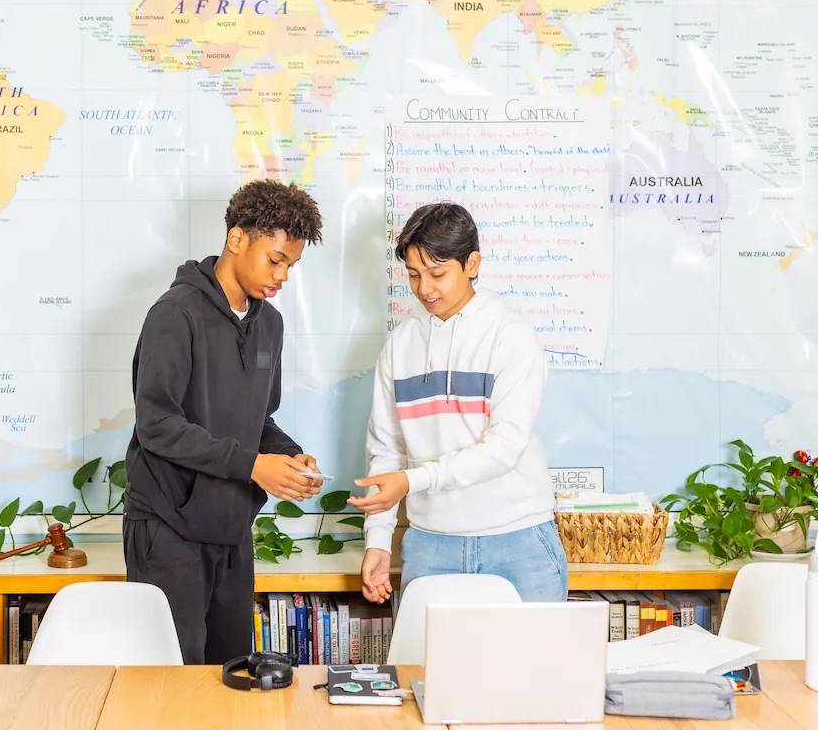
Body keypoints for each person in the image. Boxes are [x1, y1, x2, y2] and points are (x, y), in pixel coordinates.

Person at [122, 179, 326, 665]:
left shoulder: (269, 324)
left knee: (230, 672)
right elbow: (157, 424)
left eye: (291, 265)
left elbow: (260, 419)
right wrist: (254, 466)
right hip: (169, 527)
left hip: (231, 524)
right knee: (170, 679)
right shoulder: (175, 315)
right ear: (237, 239)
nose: (283, 276)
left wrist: (287, 457)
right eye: (276, 259)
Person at [350, 201, 566, 605]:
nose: (424, 288)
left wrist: (414, 480)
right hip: (432, 546)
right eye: (413, 275)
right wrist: (378, 539)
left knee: (535, 669)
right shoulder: (400, 346)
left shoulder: (510, 336)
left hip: (519, 541)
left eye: (437, 273)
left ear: (472, 263)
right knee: (430, 670)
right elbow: (386, 450)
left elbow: (504, 447)